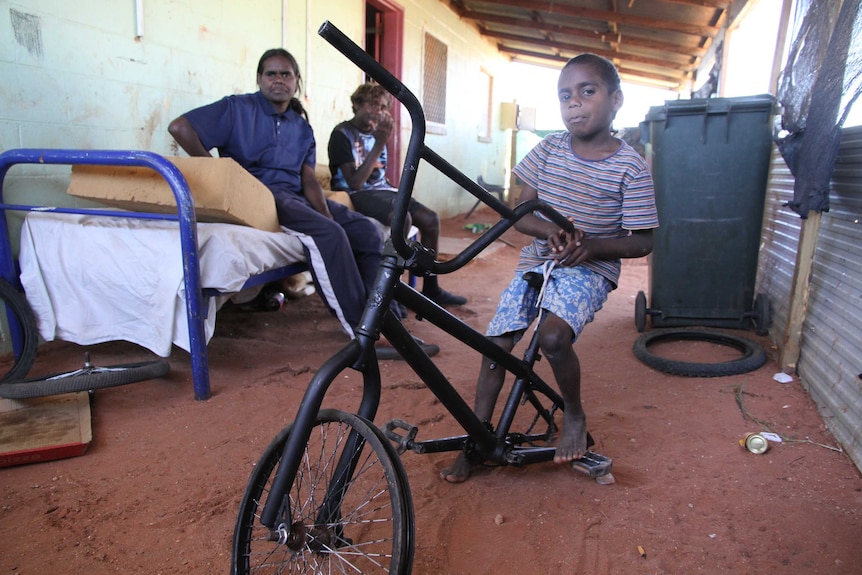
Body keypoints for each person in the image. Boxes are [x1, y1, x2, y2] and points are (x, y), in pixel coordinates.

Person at [441, 53, 659, 483]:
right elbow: (520, 212)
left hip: (588, 270)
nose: (574, 102)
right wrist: (547, 232)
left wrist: (592, 246)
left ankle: (573, 413)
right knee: (495, 345)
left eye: (587, 91)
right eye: (565, 95)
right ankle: (477, 438)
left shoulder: (630, 167)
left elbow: (644, 240)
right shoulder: (547, 149)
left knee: (553, 336)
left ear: (616, 100)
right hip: (537, 262)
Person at [168, 49, 436, 357]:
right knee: (330, 236)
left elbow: (309, 179)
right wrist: (223, 177)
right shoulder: (237, 108)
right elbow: (180, 127)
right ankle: (364, 335)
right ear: (259, 79)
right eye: (271, 74)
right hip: (261, 195)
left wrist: (326, 214)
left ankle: (385, 322)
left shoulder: (301, 127)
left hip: (294, 196)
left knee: (366, 230)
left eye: (286, 74)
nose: (278, 80)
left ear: (297, 82)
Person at [328, 83, 467, 307]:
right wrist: (380, 143)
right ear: (356, 105)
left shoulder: (377, 132)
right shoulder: (341, 134)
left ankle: (431, 289)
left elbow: (381, 177)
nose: (379, 111)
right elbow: (355, 181)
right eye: (372, 105)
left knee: (431, 220)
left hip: (382, 191)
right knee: (402, 220)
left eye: (383, 107)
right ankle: (391, 291)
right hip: (354, 193)